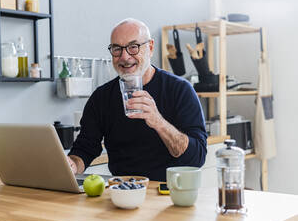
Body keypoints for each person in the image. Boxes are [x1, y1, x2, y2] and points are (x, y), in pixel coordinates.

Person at [66, 18, 207, 181]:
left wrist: (158, 122)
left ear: (151, 47)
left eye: (133, 47)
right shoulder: (101, 97)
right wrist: (74, 164)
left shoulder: (180, 90)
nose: (124, 56)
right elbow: (85, 148)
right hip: (122, 191)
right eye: (117, 49)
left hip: (168, 192)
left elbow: (196, 158)